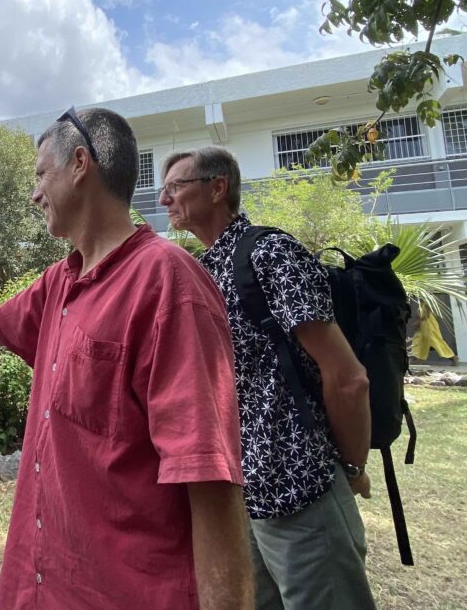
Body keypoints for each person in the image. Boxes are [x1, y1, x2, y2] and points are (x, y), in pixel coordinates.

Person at [0, 108, 253, 610]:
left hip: (125, 590)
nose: (35, 193)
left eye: (42, 174)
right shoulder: (62, 280)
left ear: (80, 163)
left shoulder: (168, 282)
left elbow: (209, 476)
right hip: (43, 581)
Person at [158, 146, 376, 610]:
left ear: (218, 188)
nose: (164, 199)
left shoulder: (270, 253)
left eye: (176, 186)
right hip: (241, 499)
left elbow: (347, 377)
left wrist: (352, 468)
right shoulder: (203, 269)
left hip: (301, 490)